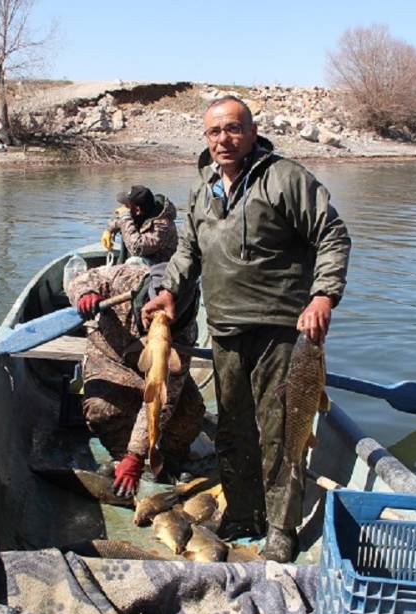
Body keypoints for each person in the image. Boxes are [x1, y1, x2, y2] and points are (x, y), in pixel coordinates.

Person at [142, 96, 351, 562]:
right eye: (214, 132)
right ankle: (243, 513)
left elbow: (332, 235)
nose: (224, 139)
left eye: (233, 129)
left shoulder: (285, 178)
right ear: (206, 137)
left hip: (283, 330)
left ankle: (281, 526)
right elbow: (187, 255)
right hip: (226, 329)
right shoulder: (202, 190)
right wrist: (171, 291)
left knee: (282, 429)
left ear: (253, 131)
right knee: (234, 428)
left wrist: (322, 296)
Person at [68, 260, 204, 497]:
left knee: (191, 412)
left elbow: (164, 399)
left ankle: (167, 460)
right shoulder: (127, 277)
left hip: (155, 369)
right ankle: (121, 457)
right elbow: (82, 278)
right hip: (113, 360)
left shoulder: (184, 332)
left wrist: (138, 453)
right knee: (102, 409)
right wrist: (85, 293)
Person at [101, 185, 179, 263]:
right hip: (144, 261)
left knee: (134, 261)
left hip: (160, 267)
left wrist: (125, 217)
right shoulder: (141, 213)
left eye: (126, 206)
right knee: (126, 228)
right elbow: (118, 221)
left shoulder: (162, 225)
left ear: (137, 210)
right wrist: (108, 230)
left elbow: (137, 249)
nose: (123, 208)